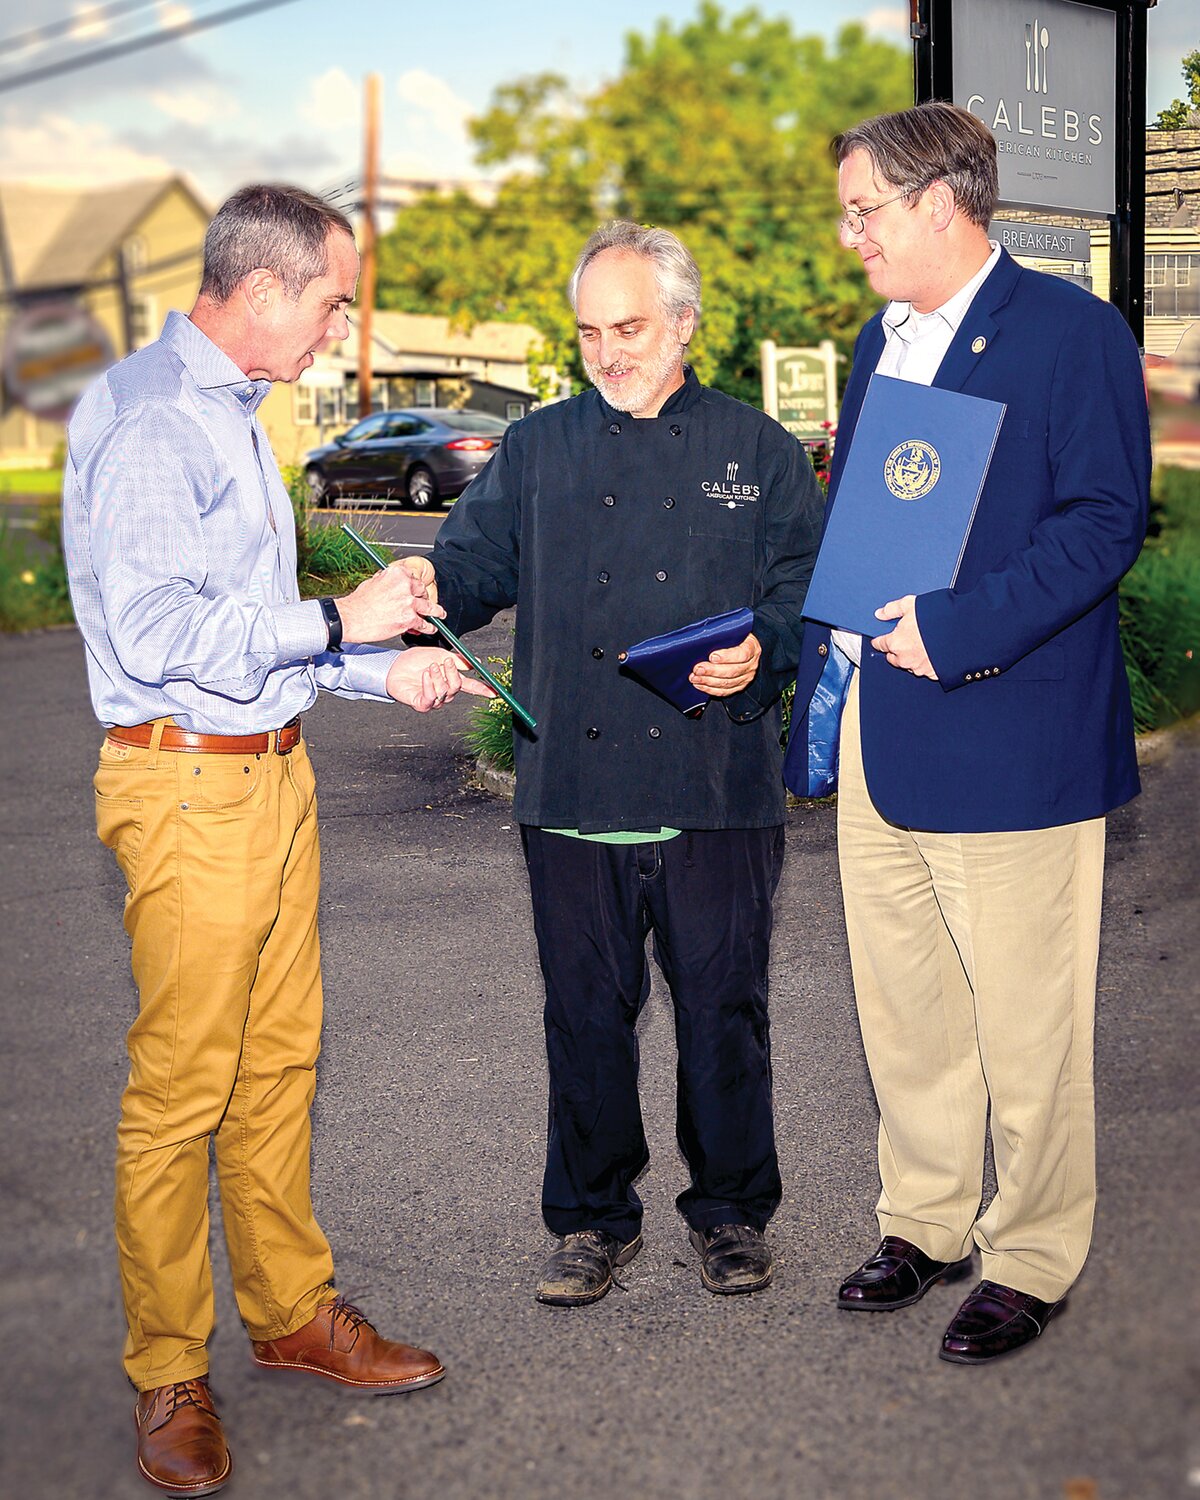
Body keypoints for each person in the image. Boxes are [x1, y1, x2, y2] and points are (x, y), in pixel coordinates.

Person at [62, 185, 490, 1496]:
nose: (337, 324)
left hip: (269, 779)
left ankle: (291, 1314)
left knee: (277, 1065)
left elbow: (249, 638)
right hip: (186, 797)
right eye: (331, 299)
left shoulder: (238, 419)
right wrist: (336, 623)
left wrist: (379, 671)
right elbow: (158, 646)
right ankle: (166, 1374)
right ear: (260, 292)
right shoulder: (146, 422)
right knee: (182, 1089)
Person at [783, 103, 1150, 1363]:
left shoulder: (1070, 333)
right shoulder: (874, 345)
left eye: (864, 211)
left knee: (1029, 1024)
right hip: (886, 738)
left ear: (944, 201)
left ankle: (1036, 1252)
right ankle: (927, 1222)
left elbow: (1105, 525)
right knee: (908, 1009)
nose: (853, 238)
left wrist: (959, 626)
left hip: (1012, 737)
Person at [407, 220, 823, 1306]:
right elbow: (470, 568)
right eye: (590, 330)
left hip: (715, 790)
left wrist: (764, 649)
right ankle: (593, 1220)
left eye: (630, 326)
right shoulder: (538, 450)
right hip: (574, 790)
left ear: (684, 322)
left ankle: (731, 1212)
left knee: (725, 1011)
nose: (608, 349)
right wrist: (418, 599)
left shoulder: (761, 452)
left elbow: (805, 595)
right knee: (584, 1014)